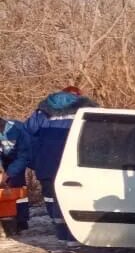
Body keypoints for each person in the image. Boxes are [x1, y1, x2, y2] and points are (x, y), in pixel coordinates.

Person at [24, 86, 97, 242]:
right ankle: (75, 235)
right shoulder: (86, 110)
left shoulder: (41, 112)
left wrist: (33, 160)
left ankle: (60, 232)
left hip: (47, 161)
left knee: (51, 197)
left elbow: (27, 136)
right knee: (75, 196)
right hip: (75, 162)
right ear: (77, 96)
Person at [0, 116, 32, 232]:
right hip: (5, 159)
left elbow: (23, 156)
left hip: (19, 159)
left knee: (17, 186)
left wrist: (8, 173)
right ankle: (6, 216)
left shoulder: (18, 129)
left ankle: (21, 219)